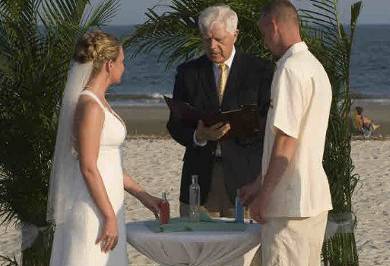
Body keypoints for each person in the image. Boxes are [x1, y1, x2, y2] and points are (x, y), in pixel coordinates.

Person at [47, 31, 161, 266]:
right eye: (122, 62)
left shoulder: (100, 102)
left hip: (107, 203)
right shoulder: (91, 106)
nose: (124, 67)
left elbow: (109, 164)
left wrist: (144, 196)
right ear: (109, 65)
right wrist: (108, 215)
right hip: (94, 209)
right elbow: (88, 166)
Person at [240, 1, 332, 265]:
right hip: (310, 199)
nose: (265, 41)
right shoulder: (314, 66)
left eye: (263, 33)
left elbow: (287, 140)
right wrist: (259, 183)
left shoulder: (290, 69)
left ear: (273, 26)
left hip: (289, 203)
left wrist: (264, 196)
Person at [167, 4, 273, 218]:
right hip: (200, 178)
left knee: (248, 250)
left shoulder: (261, 71)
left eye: (219, 39)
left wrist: (244, 125)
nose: (213, 46)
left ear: (235, 35)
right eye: (207, 39)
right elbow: (175, 124)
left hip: (246, 178)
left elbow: (271, 123)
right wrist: (199, 136)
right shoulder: (188, 73)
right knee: (198, 248)